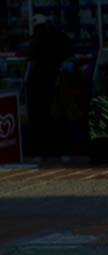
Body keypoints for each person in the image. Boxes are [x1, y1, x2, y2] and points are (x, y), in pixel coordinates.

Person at [25, 14, 74, 161]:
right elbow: (70, 59)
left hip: (39, 85)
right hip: (56, 83)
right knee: (59, 118)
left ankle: (41, 153)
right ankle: (63, 152)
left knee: (40, 119)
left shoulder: (35, 40)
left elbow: (31, 63)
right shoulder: (61, 37)